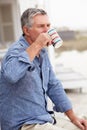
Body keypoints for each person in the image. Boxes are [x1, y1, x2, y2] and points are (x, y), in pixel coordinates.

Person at [0, 8, 87, 130]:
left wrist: (73, 117)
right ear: (26, 30)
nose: (47, 30)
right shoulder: (15, 51)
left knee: (81, 127)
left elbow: (53, 85)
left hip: (43, 119)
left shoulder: (42, 53)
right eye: (41, 26)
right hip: (23, 124)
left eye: (48, 25)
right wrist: (37, 45)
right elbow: (11, 75)